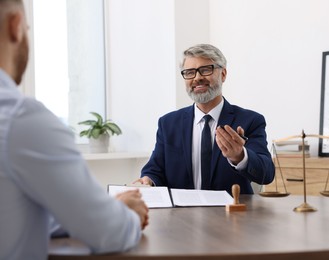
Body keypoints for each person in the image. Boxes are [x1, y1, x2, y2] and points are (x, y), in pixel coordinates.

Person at [0, 1, 148, 259]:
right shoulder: (21, 118)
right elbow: (109, 232)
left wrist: (98, 211)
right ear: (16, 27)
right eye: (28, 27)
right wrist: (127, 214)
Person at [135, 43, 275, 194]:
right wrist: (148, 180)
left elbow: (266, 175)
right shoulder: (168, 123)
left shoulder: (250, 120)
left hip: (232, 214)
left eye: (206, 70)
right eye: (189, 72)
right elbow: (155, 169)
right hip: (181, 215)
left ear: (223, 74)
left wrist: (240, 156)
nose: (197, 78)